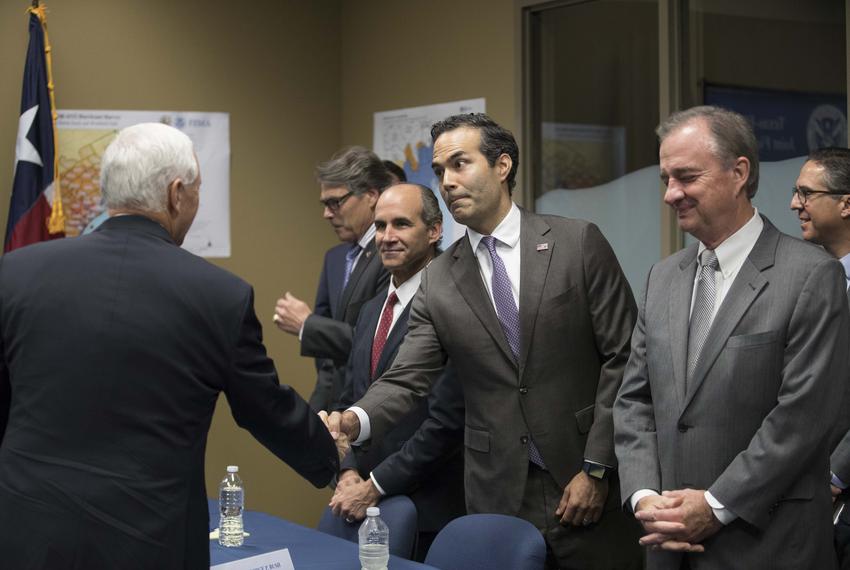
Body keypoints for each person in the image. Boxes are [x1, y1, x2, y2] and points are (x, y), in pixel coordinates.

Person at [0, 123, 340, 569]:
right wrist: (326, 449)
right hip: (148, 539)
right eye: (197, 189)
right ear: (176, 193)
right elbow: (265, 408)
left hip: (27, 530)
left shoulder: (16, 273)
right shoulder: (218, 295)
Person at [326, 113, 642, 569]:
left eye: (460, 164)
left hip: (587, 481)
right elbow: (407, 378)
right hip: (497, 494)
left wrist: (597, 467)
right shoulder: (439, 279)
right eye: (440, 172)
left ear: (502, 166)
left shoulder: (576, 244)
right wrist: (355, 420)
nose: (448, 182)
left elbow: (624, 358)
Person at [614, 106, 850, 570]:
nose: (670, 194)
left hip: (767, 546)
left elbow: (801, 418)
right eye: (665, 178)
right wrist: (645, 499)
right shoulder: (663, 278)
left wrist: (716, 505)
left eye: (685, 177)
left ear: (739, 172)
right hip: (668, 544)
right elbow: (634, 402)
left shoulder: (810, 275)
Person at [328, 183, 465, 560]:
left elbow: (445, 423)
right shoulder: (371, 308)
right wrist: (348, 472)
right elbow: (349, 398)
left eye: (401, 225)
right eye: (380, 226)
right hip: (360, 504)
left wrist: (375, 485)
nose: (387, 237)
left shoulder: (454, 304)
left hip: (428, 511)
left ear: (435, 231)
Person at [274, 147, 391, 411]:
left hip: (374, 410)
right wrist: (318, 414)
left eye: (335, 202)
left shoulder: (391, 254)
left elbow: (378, 345)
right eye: (325, 204)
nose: (327, 214)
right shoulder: (336, 258)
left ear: (371, 195)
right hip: (335, 407)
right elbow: (327, 363)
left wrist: (307, 325)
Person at [789, 146, 850, 569]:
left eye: (807, 194)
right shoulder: (807, 277)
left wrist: (836, 473)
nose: (795, 203)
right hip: (803, 495)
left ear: (846, 203)